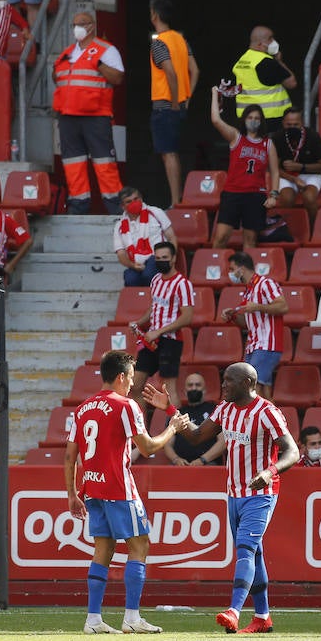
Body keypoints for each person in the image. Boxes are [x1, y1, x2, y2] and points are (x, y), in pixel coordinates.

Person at [169, 361, 299, 635]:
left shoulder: (267, 412)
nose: (223, 385)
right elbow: (195, 437)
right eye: (223, 380)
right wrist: (171, 411)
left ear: (248, 384)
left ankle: (234, 611)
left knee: (245, 548)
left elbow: (292, 452)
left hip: (261, 492)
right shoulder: (225, 408)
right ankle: (263, 617)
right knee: (255, 553)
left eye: (229, 381)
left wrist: (270, 471)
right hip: (234, 492)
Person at [66, 350, 185, 635]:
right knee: (140, 544)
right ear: (121, 377)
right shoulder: (126, 406)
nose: (132, 384)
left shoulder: (82, 408)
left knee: (103, 549)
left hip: (92, 488)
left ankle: (93, 619)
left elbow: (70, 456)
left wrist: (72, 493)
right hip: (120, 488)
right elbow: (148, 448)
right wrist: (172, 429)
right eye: (130, 378)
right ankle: (132, 617)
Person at [53, 12, 125, 215]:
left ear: (92, 26)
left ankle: (115, 208)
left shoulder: (106, 50)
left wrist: (98, 64)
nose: (77, 28)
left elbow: (118, 78)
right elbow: (56, 76)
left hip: (95, 116)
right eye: (74, 24)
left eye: (81, 24)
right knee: (73, 163)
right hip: (68, 116)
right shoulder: (66, 53)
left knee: (104, 163)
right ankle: (78, 205)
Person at [209, 87, 279, 249]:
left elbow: (275, 172)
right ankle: (215, 270)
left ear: (261, 121)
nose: (253, 120)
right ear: (244, 119)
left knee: (250, 240)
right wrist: (214, 94)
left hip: (256, 195)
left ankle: (248, 274)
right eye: (250, 117)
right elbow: (215, 120)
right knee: (221, 237)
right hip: (233, 193)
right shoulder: (236, 137)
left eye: (257, 118)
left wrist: (274, 195)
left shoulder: (268, 144)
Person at [128, 241, 195, 407]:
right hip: (151, 340)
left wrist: (159, 332)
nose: (161, 261)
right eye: (157, 258)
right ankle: (142, 430)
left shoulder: (183, 283)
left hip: (170, 340)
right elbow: (154, 307)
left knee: (169, 389)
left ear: (173, 259)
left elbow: (187, 317)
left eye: (164, 257)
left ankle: (177, 431)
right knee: (135, 386)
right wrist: (139, 323)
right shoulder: (156, 279)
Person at [148, 0, 197, 208]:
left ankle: (175, 201)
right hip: (179, 105)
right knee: (172, 152)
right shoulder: (180, 40)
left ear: (155, 15)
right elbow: (195, 71)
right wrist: (187, 98)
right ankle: (176, 199)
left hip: (165, 105)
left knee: (168, 154)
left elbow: (170, 72)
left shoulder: (159, 42)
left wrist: (176, 101)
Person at [222, 251, 287, 399]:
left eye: (232, 269)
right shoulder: (248, 291)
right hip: (254, 345)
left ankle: (255, 422)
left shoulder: (265, 284)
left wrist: (258, 307)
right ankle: (275, 422)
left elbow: (283, 307)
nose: (231, 273)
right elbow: (247, 323)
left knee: (251, 389)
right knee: (263, 393)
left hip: (267, 344)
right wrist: (232, 316)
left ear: (242, 268)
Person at [231, 25, 295, 131]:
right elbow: (291, 83)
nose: (274, 41)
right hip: (269, 119)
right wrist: (279, 61)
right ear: (260, 44)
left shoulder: (243, 60)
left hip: (246, 117)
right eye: (270, 38)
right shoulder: (266, 62)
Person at [271, 107, 321, 222]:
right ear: (283, 123)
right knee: (287, 198)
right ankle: (289, 229)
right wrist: (293, 179)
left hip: (311, 174)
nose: (292, 127)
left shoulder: (313, 136)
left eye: (295, 124)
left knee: (309, 197)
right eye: (289, 124)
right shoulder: (277, 137)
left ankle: (313, 230)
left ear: (302, 123)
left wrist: (301, 167)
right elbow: (274, 168)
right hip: (287, 175)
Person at [113, 186, 175, 287]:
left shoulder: (156, 213)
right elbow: (121, 254)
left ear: (141, 199)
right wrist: (133, 265)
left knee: (148, 274)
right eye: (129, 202)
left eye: (136, 199)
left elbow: (172, 237)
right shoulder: (119, 226)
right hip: (136, 263)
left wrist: (173, 258)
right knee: (130, 278)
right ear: (123, 206)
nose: (134, 203)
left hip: (158, 258)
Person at [162, 373, 217, 466]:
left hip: (208, 464)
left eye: (198, 385)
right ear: (185, 390)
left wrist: (203, 460)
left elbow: (222, 441)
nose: (194, 388)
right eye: (190, 385)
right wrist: (176, 459)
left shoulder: (214, 410)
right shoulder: (178, 413)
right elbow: (167, 443)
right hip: (180, 465)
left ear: (205, 390)